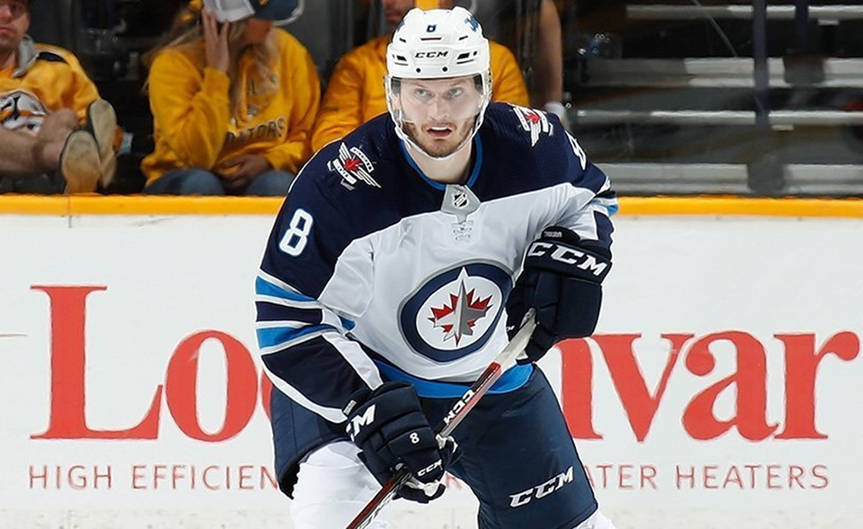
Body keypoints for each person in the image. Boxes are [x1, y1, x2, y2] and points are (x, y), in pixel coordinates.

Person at [255, 7, 618, 529]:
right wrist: (367, 407)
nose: (437, 114)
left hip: (492, 381)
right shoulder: (341, 185)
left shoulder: (536, 150)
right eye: (421, 92)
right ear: (393, 93)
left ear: (484, 89)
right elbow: (285, 320)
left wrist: (574, 258)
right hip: (365, 388)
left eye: (455, 91)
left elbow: (592, 201)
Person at [141, 0, 319, 196]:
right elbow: (197, 157)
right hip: (184, 174)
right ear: (233, 21)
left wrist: (270, 160)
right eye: (263, 15)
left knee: (277, 185)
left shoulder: (289, 51)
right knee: (201, 184)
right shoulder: (173, 64)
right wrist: (216, 74)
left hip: (262, 173)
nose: (272, 21)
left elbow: (305, 133)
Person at [310, 0, 529, 153]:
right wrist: (387, 161)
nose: (388, 3)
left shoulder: (496, 60)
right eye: (421, 91)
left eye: (455, 91)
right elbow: (330, 137)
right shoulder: (358, 63)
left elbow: (513, 132)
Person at [0, 0, 118, 193]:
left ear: (27, 21)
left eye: (15, 8)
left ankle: (76, 170)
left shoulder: (59, 63)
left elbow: (97, 125)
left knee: (65, 117)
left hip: (47, 180)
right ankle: (60, 156)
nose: (6, 15)